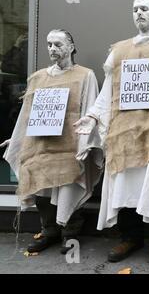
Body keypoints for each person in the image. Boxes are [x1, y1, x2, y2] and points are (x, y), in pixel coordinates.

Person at [74, 0, 149, 265]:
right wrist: (93, 117)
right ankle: (130, 236)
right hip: (124, 129)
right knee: (126, 182)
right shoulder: (120, 50)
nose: (139, 13)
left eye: (145, 9)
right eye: (135, 10)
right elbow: (108, 90)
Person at [1, 29, 103, 254]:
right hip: (42, 144)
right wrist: (17, 140)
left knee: (68, 185)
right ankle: (49, 231)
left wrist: (86, 143)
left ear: (71, 46)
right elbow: (27, 113)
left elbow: (91, 108)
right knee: (42, 188)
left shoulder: (85, 75)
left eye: (58, 44)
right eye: (49, 45)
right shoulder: (38, 77)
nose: (52, 49)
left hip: (69, 145)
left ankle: (69, 232)